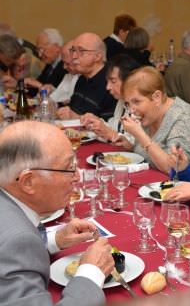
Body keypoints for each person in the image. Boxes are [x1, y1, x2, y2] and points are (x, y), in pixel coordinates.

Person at [0, 120, 114, 305]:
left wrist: (53, 241)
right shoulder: (14, 241)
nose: (77, 176)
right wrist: (91, 272)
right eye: (68, 168)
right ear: (28, 182)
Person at [119, 66, 190, 173]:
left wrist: (140, 135)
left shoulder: (184, 117)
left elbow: (173, 168)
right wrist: (131, 146)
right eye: (128, 103)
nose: (131, 110)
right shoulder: (150, 115)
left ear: (157, 97)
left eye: (136, 101)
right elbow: (149, 154)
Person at [80, 54, 140, 144]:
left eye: (113, 81)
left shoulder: (141, 106)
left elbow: (136, 144)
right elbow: (116, 128)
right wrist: (97, 122)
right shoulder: (122, 101)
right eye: (107, 81)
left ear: (129, 80)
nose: (108, 87)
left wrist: (109, 133)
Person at [56, 32, 117, 120]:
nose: (74, 56)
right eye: (73, 50)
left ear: (97, 56)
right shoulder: (82, 78)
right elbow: (74, 109)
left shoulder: (110, 82)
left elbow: (111, 125)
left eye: (81, 51)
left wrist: (77, 118)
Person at [24, 28, 67, 93]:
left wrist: (40, 86)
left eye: (42, 49)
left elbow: (60, 96)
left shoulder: (66, 66)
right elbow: (36, 87)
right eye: (38, 50)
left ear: (56, 47)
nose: (39, 55)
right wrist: (19, 84)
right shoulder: (51, 64)